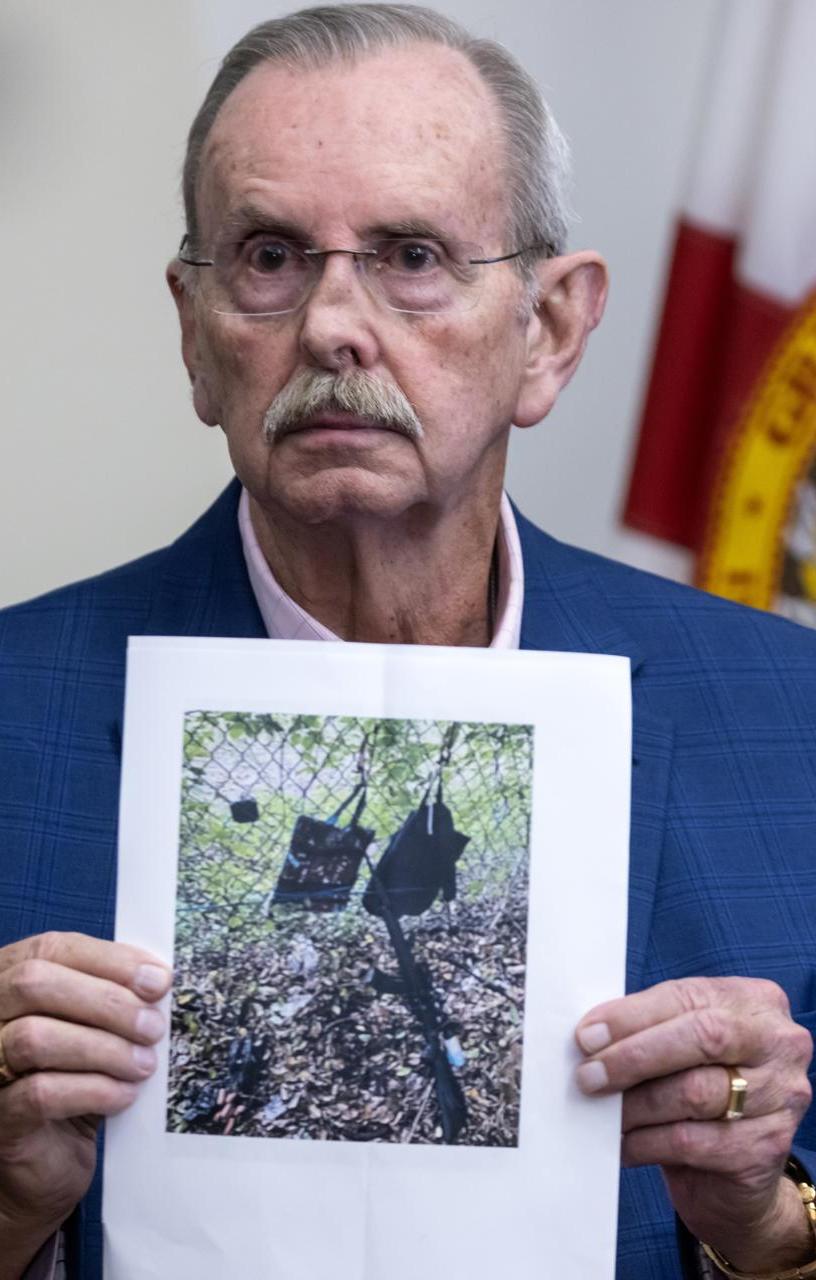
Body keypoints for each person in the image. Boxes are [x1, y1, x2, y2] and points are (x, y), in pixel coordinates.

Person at [1, 5, 814, 1278]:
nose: (334, 323)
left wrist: (769, 1229)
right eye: (269, 254)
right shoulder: (13, 707)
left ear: (549, 331)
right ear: (195, 335)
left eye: (412, 253)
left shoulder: (790, 716)